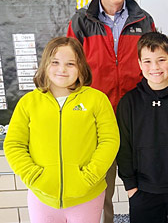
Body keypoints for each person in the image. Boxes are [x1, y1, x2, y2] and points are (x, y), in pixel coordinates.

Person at [67, 0, 155, 222]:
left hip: (137, 122)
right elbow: (70, 74)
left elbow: (154, 68)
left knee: (145, 189)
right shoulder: (81, 22)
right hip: (95, 125)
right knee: (98, 195)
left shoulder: (144, 20)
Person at [4, 37, 119, 223]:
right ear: (45, 65)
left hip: (87, 195)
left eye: (70, 63)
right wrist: (34, 176)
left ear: (81, 66)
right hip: (42, 197)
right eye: (55, 62)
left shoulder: (97, 100)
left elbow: (109, 140)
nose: (62, 69)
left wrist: (89, 177)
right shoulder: (28, 103)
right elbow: (14, 144)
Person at [116, 32, 168, 223]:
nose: (154, 67)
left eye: (161, 60)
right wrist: (131, 187)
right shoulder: (129, 102)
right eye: (147, 61)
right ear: (139, 64)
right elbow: (123, 147)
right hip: (143, 191)